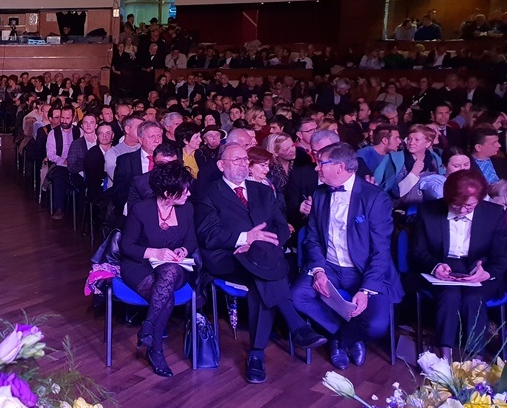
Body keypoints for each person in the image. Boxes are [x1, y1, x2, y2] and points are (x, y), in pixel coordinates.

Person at [195, 142, 326, 384]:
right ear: (221, 165)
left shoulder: (263, 191)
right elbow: (208, 235)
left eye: (246, 159)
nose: (244, 164)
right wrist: (245, 238)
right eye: (237, 160)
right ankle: (295, 325)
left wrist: (264, 244)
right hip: (227, 257)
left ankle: (256, 355)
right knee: (265, 271)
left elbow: (281, 225)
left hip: (264, 256)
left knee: (259, 280)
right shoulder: (209, 193)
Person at [292, 143, 403, 370]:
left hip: (363, 270)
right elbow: (312, 238)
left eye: (321, 163)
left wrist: (365, 290)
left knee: (377, 326)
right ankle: (341, 336)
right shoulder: (320, 193)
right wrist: (319, 270)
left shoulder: (374, 198)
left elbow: (381, 251)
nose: (316, 169)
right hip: (329, 266)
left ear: (340, 167)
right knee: (297, 296)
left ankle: (340, 340)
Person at [415, 169, 507, 360]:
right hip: (442, 268)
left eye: (470, 206)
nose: (463, 210)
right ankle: (444, 355)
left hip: (481, 269)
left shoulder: (495, 214)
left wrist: (487, 273)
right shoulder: (428, 211)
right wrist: (435, 266)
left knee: (473, 297)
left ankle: (476, 358)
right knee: (449, 295)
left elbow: (501, 257)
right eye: (457, 205)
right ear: (448, 197)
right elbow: (417, 252)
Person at [120, 162, 197, 378]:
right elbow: (127, 246)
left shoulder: (187, 209)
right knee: (166, 298)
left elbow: (192, 240)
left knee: (170, 271)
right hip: (140, 264)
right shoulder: (141, 209)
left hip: (175, 266)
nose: (189, 194)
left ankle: (148, 327)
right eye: (184, 190)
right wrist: (155, 253)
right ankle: (155, 350)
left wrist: (182, 249)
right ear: (167, 193)